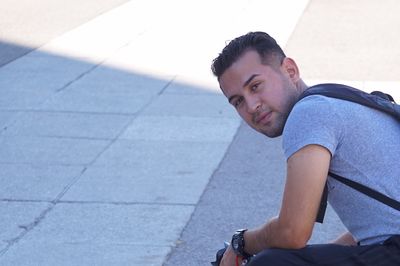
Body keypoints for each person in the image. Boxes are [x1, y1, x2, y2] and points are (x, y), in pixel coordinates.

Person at [210, 31, 400, 266]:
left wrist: (241, 242)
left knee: (271, 263)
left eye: (256, 86)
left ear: (290, 70)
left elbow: (293, 232)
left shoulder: (308, 114)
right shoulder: (336, 98)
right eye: (238, 101)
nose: (251, 106)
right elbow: (373, 227)